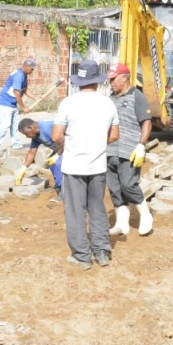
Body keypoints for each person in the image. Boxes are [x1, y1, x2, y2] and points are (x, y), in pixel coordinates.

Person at [52, 60, 119, 269]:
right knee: (97, 208)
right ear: (97, 83)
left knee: (75, 211)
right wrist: (96, 142)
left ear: (78, 82)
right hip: (97, 166)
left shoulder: (68, 103)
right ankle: (102, 252)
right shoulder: (108, 103)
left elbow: (56, 135)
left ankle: (82, 256)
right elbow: (115, 135)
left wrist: (66, 144)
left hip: (74, 166)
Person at [105, 63, 154, 237]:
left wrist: (141, 145)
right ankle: (121, 223)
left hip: (130, 150)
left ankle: (145, 215)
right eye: (110, 78)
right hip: (110, 150)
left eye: (113, 78)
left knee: (128, 184)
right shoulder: (111, 98)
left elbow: (146, 122)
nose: (111, 82)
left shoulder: (137, 96)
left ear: (124, 77)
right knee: (115, 188)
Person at [0, 57, 36, 153]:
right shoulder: (19, 75)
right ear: (26, 66)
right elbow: (17, 93)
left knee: (15, 126)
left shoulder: (24, 74)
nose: (32, 71)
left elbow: (25, 89)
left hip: (12, 104)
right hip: (5, 103)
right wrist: (23, 107)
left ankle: (17, 144)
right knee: (5, 125)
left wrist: (36, 98)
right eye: (32, 69)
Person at [15, 117, 62, 197]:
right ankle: (58, 186)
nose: (27, 137)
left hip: (70, 145)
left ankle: (63, 191)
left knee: (58, 163)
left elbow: (65, 140)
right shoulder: (35, 136)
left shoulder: (48, 128)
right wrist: (23, 169)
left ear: (31, 128)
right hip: (59, 148)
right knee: (51, 163)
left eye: (26, 134)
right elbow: (31, 153)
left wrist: (57, 155)